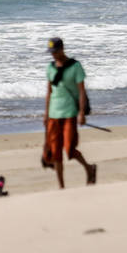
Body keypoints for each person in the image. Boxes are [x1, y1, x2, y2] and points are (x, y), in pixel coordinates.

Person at [43, 37, 96, 188]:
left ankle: (89, 168)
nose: (53, 55)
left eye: (55, 51)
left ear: (62, 49)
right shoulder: (50, 68)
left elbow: (81, 91)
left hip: (69, 113)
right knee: (56, 152)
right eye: (51, 52)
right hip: (53, 113)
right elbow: (49, 92)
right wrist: (46, 114)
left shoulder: (75, 66)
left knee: (69, 149)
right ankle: (61, 187)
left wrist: (81, 114)